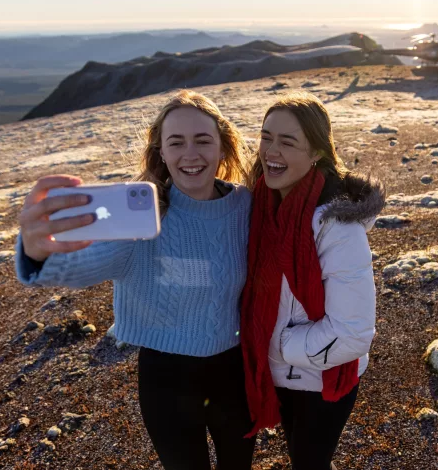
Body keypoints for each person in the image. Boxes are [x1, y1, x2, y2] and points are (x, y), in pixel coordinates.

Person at [14, 90, 256, 470]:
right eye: (176, 142)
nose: (190, 154)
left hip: (235, 371)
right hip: (167, 379)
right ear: (161, 152)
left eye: (203, 140)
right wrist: (38, 251)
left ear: (224, 147)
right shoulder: (144, 221)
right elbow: (88, 263)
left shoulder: (246, 206)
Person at [240, 92, 384, 470]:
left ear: (318, 152)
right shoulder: (259, 207)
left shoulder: (337, 228)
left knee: (309, 462)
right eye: (266, 136)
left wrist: (284, 348)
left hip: (319, 379)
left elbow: (353, 332)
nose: (272, 151)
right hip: (277, 370)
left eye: (288, 142)